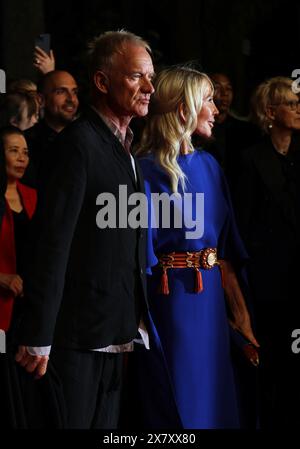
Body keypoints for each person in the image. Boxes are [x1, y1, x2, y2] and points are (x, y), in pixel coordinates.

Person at [16, 30, 155, 429]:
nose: (149, 87)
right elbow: (51, 245)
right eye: (136, 77)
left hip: (117, 331)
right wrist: (39, 332)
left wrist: (137, 318)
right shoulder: (77, 146)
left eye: (151, 77)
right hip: (74, 337)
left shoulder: (126, 148)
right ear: (101, 81)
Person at [132, 66, 259, 429]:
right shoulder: (142, 171)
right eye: (208, 100)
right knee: (181, 401)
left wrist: (241, 314)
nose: (217, 109)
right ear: (185, 110)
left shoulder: (211, 166)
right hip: (172, 301)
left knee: (217, 398)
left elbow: (227, 248)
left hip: (211, 302)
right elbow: (138, 259)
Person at [235, 76, 300, 428]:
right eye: (291, 104)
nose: (298, 108)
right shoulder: (250, 160)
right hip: (268, 285)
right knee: (272, 363)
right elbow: (244, 226)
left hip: (297, 279)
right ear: (270, 112)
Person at [0, 126, 37, 428]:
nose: (21, 157)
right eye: (13, 150)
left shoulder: (34, 196)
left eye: (25, 151)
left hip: (30, 311)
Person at [201, 72, 260, 191]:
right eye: (217, 88)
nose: (225, 94)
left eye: (228, 88)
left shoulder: (245, 130)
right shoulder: (201, 129)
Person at [22, 70, 79, 188]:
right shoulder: (26, 144)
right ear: (41, 100)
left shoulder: (86, 140)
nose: (71, 99)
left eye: (74, 92)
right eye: (61, 92)